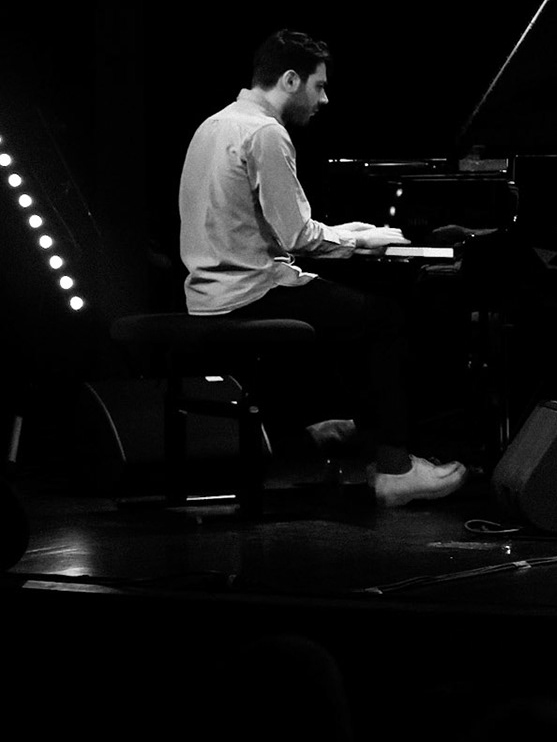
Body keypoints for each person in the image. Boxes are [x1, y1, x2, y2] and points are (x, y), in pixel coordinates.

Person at [178, 28, 467, 504]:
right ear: (290, 80)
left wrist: (348, 231)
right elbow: (297, 238)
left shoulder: (215, 124)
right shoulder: (266, 132)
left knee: (345, 308)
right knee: (384, 318)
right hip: (248, 293)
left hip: (206, 293)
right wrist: (359, 241)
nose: (325, 99)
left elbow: (265, 224)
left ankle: (333, 429)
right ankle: (394, 467)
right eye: (319, 86)